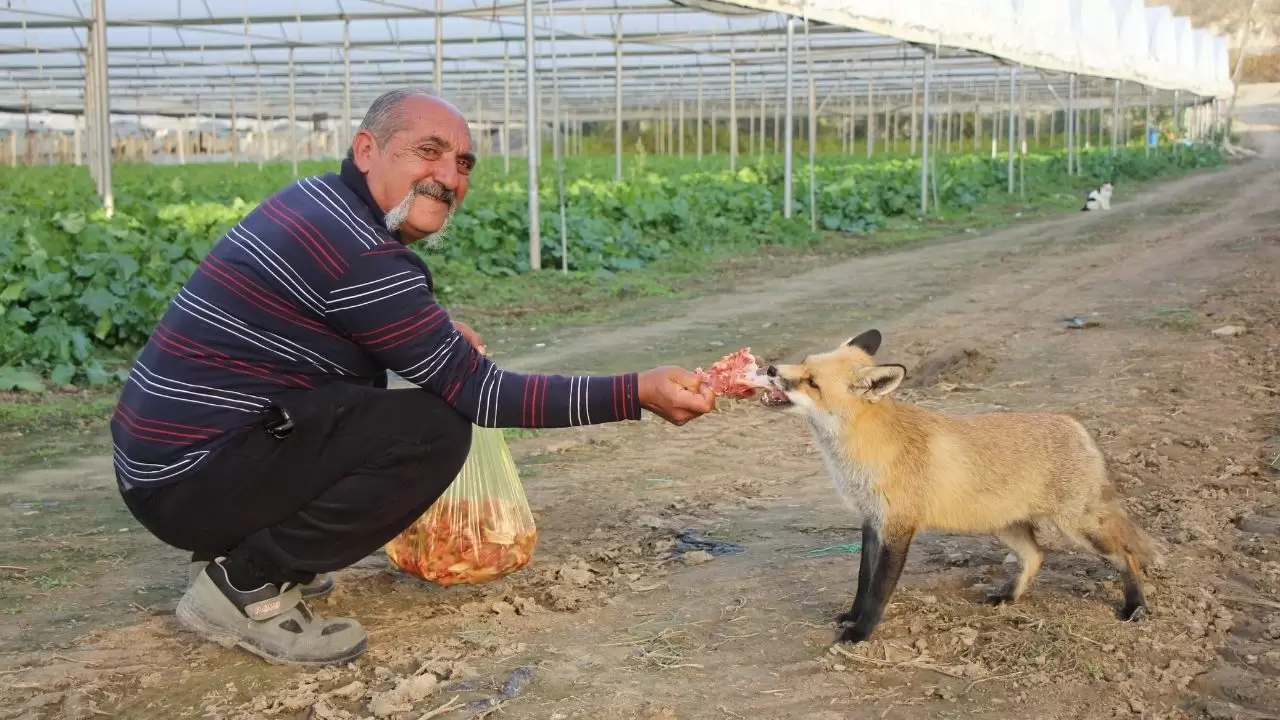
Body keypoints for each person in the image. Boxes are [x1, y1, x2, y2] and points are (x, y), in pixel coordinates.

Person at [111, 88, 717, 666]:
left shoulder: (320, 203)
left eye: (463, 163)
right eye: (428, 152)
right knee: (434, 429)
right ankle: (246, 582)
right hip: (186, 479)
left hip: (169, 461)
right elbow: (484, 392)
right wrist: (635, 390)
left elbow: (330, 326)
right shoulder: (359, 250)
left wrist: (432, 337)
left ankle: (235, 545)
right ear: (367, 149)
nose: (450, 178)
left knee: (372, 403)